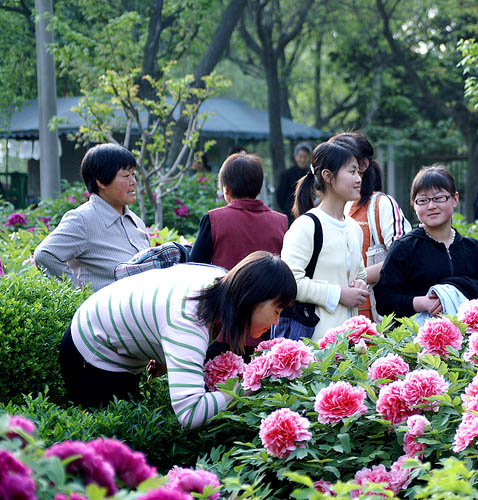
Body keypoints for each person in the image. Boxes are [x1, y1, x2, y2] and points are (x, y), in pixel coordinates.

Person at [59, 251, 297, 429]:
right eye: (276, 311)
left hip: (106, 335)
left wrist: (165, 351)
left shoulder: (222, 284)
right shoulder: (189, 319)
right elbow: (190, 413)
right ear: (252, 298)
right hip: (91, 352)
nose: (276, 322)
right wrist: (242, 388)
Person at [374, 165, 478, 319]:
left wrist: (453, 288)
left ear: (455, 199)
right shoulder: (404, 247)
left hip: (465, 338)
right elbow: (384, 301)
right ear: (414, 205)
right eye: (422, 200)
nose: (431, 206)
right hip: (417, 339)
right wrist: (422, 303)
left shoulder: (471, 247)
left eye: (438, 198)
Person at [281, 142, 368, 342]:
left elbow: (359, 273)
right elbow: (289, 282)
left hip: (350, 347)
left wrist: (361, 284)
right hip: (314, 346)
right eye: (352, 171)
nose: (358, 179)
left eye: (358, 172)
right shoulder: (306, 226)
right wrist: (338, 295)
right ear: (328, 176)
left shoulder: (354, 228)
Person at [34, 143, 150, 291]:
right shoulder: (82, 220)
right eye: (126, 176)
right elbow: (45, 255)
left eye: (133, 174)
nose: (133, 182)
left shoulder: (136, 222)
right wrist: (78, 295)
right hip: (105, 312)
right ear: (101, 181)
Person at [331, 132, 411, 320]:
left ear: (364, 165)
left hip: (377, 318)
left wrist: (356, 279)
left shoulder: (381, 204)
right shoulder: (337, 209)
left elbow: (403, 260)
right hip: (341, 316)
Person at [189, 153, 288, 269]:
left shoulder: (213, 220)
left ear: (225, 189)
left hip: (226, 286)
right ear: (259, 187)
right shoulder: (281, 222)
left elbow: (195, 265)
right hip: (270, 287)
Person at [276, 142, 313, 222]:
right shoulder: (287, 174)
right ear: (295, 157)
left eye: (305, 157)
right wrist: (287, 209)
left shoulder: (312, 175)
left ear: (309, 157)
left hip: (309, 212)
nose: (302, 160)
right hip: (290, 214)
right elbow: (280, 196)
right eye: (300, 157)